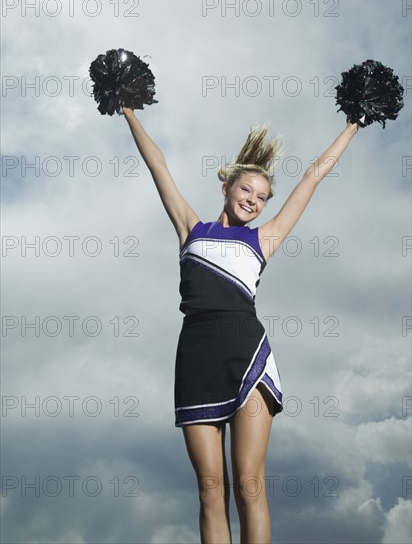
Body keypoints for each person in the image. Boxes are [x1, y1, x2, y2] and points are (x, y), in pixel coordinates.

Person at [123, 107, 359, 543]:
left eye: (262, 196)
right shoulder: (190, 229)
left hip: (248, 357)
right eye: (246, 189)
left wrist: (354, 122)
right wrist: (129, 112)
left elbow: (311, 177)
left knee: (249, 485)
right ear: (226, 186)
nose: (253, 200)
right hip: (195, 362)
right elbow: (157, 164)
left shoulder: (262, 239)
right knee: (211, 491)